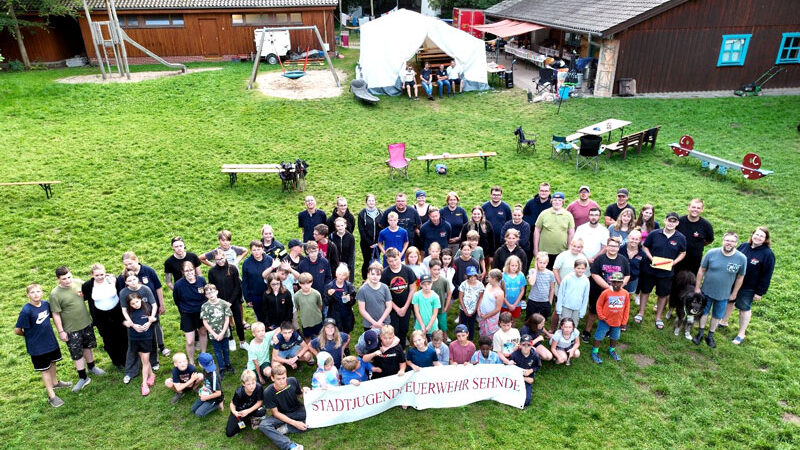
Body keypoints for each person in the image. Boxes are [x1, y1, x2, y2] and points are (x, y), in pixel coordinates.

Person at [15, 283, 72, 408]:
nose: (36, 294)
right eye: (32, 292)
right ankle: (52, 396)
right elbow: (17, 330)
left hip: (50, 342)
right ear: (27, 295)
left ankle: (55, 383)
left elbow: (55, 316)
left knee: (53, 362)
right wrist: (29, 336)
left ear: (42, 293)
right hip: (37, 347)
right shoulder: (26, 311)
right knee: (44, 369)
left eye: (38, 291)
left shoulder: (46, 304)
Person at [50, 266, 105, 393]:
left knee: (87, 347)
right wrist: (61, 331)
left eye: (69, 277)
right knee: (77, 353)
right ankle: (83, 377)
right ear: (58, 279)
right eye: (64, 279)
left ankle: (92, 367)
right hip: (71, 329)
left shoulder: (79, 283)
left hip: (86, 324)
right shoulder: (55, 294)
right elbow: (56, 314)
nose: (68, 280)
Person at [692, 232, 746, 348]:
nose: (729, 243)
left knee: (717, 315)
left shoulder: (741, 258)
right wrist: (697, 287)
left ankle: (710, 335)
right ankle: (700, 333)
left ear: (736, 243)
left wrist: (734, 293)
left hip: (724, 294)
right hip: (706, 291)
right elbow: (702, 270)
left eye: (732, 241)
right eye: (727, 240)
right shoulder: (711, 253)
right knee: (704, 312)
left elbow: (740, 277)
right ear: (723, 241)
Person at [722, 226, 775, 344]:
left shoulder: (767, 254)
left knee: (744, 308)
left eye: (762, 236)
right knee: (730, 301)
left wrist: (760, 292)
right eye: (756, 234)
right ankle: (723, 321)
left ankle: (741, 333)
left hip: (749, 287)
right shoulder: (744, 246)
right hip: (733, 282)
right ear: (752, 235)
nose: (758, 237)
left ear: (765, 239)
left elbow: (767, 274)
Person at [635, 212, 686, 329]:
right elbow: (645, 246)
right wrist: (651, 258)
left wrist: (674, 262)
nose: (671, 223)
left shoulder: (681, 238)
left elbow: (683, 252)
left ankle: (658, 317)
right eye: (669, 220)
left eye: (674, 221)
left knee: (663, 295)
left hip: (666, 272)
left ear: (677, 223)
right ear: (665, 220)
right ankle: (641, 313)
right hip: (650, 269)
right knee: (645, 291)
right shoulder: (654, 233)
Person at [117, 252, 169, 357]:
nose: (128, 267)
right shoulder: (123, 277)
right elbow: (122, 294)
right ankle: (142, 350)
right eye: (125, 265)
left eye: (130, 263)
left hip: (151, 307)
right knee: (139, 327)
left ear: (136, 260)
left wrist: (161, 304)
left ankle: (161, 346)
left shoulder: (149, 271)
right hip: (134, 310)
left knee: (156, 326)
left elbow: (158, 287)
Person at [583, 237, 630, 343]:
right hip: (599, 290)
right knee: (594, 310)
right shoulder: (600, 259)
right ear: (607, 246)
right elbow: (594, 274)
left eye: (615, 246)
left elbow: (627, 275)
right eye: (611, 246)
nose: (613, 248)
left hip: (616, 293)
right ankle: (587, 331)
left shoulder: (623, 260)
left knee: (612, 311)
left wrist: (619, 286)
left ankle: (608, 330)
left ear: (619, 248)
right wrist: (608, 287)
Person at [81, 263, 127, 370]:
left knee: (122, 336)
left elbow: (121, 292)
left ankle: (126, 359)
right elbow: (84, 298)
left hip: (117, 313)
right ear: (92, 275)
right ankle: (116, 361)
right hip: (101, 317)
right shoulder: (87, 286)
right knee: (108, 339)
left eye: (102, 274)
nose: (100, 277)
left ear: (105, 272)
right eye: (97, 275)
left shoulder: (112, 280)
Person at [258, 364, 309, 450]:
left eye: (284, 378)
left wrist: (305, 391)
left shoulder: (292, 381)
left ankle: (286, 428)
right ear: (272, 378)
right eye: (278, 379)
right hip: (281, 415)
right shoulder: (268, 392)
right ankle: (290, 446)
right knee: (263, 425)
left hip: (298, 410)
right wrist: (294, 423)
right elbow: (276, 413)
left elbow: (300, 395)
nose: (282, 381)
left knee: (316, 417)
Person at [208, 249, 245, 350]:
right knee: (226, 322)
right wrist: (221, 302)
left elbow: (237, 286)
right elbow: (212, 288)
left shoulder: (232, 268)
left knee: (238, 321)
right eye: (217, 259)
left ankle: (242, 341)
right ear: (214, 260)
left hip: (234, 300)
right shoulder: (212, 271)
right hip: (221, 302)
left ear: (225, 257)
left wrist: (231, 301)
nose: (220, 261)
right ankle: (231, 339)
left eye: (222, 258)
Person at [172, 261, 208, 365]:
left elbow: (206, 295)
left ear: (194, 270)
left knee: (203, 333)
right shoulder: (178, 285)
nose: (189, 272)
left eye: (191, 270)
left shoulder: (201, 280)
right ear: (183, 272)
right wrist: (184, 310)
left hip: (201, 313)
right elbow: (176, 300)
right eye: (186, 271)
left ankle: (203, 356)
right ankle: (191, 361)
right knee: (190, 341)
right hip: (187, 314)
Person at [380, 248, 417, 347]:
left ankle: (403, 348)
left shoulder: (407, 270)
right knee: (394, 329)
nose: (394, 263)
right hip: (392, 307)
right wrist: (396, 308)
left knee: (404, 329)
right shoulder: (385, 274)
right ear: (387, 261)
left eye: (396, 260)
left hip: (406, 305)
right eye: (391, 261)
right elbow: (384, 295)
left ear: (400, 256)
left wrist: (405, 307)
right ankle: (395, 348)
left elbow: (413, 288)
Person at [591, 272, 630, 363]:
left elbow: (627, 308)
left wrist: (624, 322)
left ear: (623, 283)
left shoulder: (625, 293)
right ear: (611, 282)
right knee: (599, 336)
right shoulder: (606, 292)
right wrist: (601, 316)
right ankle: (595, 351)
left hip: (618, 321)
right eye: (614, 282)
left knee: (615, 336)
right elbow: (599, 305)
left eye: (619, 282)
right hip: (605, 320)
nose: (616, 284)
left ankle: (612, 350)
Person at [124, 293, 156, 395]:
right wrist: (131, 325)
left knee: (145, 362)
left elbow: (155, 320)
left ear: (141, 299)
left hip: (146, 338)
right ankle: (151, 375)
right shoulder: (129, 312)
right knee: (143, 359)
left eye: (137, 302)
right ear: (130, 305)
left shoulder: (148, 307)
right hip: (135, 339)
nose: (136, 305)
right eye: (133, 304)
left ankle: (144, 384)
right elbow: (126, 323)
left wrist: (151, 321)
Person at [534, 192, 575, 269]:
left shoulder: (568, 215)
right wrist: (536, 249)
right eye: (555, 200)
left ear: (563, 202)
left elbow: (571, 233)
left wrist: (569, 250)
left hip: (561, 252)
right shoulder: (544, 213)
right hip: (544, 252)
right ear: (551, 201)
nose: (557, 202)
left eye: (559, 200)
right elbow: (537, 231)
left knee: (558, 274)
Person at [675, 198, 714, 276]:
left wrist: (697, 245)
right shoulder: (679, 221)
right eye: (693, 207)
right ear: (689, 207)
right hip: (677, 258)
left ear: (702, 210)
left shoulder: (706, 225)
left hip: (694, 260)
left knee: (690, 283)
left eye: (698, 208)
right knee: (674, 282)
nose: (695, 210)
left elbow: (709, 240)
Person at [201, 284, 234, 374]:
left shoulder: (223, 303)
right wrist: (214, 334)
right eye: (208, 293)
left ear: (216, 292)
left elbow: (227, 318)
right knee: (217, 351)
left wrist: (222, 332)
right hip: (213, 334)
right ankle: (221, 367)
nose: (211, 294)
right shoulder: (205, 306)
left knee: (226, 349)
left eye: (212, 292)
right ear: (206, 295)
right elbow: (205, 322)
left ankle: (228, 364)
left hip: (224, 332)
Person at [226, 369, 265, 437]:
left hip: (252, 409)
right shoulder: (239, 393)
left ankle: (253, 418)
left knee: (262, 411)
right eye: (248, 384)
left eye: (253, 383)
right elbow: (232, 404)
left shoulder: (258, 387)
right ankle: (246, 420)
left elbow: (260, 402)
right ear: (243, 384)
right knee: (229, 433)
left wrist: (248, 411)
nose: (251, 386)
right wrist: (235, 412)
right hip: (240, 412)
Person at [242, 240, 273, 324]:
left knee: (271, 314)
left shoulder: (269, 260)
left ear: (262, 249)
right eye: (254, 250)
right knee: (260, 316)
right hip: (255, 295)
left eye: (258, 249)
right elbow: (244, 282)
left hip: (270, 292)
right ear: (251, 251)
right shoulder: (246, 263)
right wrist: (247, 298)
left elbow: (275, 276)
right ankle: (262, 332)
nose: (256, 252)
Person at [357, 262, 393, 330]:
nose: (375, 277)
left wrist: (380, 322)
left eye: (378, 274)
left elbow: (389, 306)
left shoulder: (385, 287)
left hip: (384, 323)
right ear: (368, 275)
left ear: (380, 276)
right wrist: (374, 323)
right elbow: (362, 309)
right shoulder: (362, 290)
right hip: (369, 324)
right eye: (372, 274)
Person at [555, 260, 590, 329]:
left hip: (577, 308)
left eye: (582, 268)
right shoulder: (567, 278)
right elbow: (561, 293)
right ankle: (559, 339)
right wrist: (559, 308)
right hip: (566, 306)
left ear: (585, 269)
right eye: (578, 268)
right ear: (574, 268)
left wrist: (582, 311)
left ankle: (571, 339)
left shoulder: (586, 280)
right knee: (563, 324)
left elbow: (586, 296)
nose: (580, 270)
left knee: (574, 325)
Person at [357, 193, 384, 280]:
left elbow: (382, 228)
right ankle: (365, 279)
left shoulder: (380, 213)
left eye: (373, 200)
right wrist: (369, 243)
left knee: (376, 261)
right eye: (369, 200)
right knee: (367, 261)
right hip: (366, 244)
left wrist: (377, 242)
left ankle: (376, 278)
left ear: (375, 202)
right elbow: (362, 230)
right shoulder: (362, 214)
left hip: (378, 243)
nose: (371, 202)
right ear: (366, 202)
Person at [323, 264, 356, 333]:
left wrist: (350, 299)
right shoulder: (330, 286)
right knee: (336, 334)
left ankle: (347, 344)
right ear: (336, 274)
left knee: (347, 333)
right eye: (340, 274)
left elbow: (353, 301)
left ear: (346, 276)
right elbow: (326, 302)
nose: (341, 277)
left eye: (343, 275)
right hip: (334, 314)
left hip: (347, 314)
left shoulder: (349, 286)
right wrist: (329, 295)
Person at [510, 335, 541, 407]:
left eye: (528, 345)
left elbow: (537, 366)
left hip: (528, 375)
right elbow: (510, 369)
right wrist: (523, 378)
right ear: (520, 345)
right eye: (524, 345)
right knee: (512, 397)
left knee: (526, 401)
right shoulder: (514, 355)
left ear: (532, 346)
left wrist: (531, 370)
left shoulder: (535, 355)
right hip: (517, 376)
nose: (526, 347)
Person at [192, 352, 224, 417]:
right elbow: (206, 382)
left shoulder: (213, 376)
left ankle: (218, 404)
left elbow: (218, 393)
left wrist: (205, 398)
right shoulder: (205, 370)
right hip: (208, 393)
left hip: (215, 397)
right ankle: (207, 402)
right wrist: (202, 389)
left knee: (198, 414)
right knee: (193, 409)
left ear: (200, 364)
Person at [482, 186, 512, 254]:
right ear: (490, 195)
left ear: (501, 195)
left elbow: (510, 223)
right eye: (494, 195)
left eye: (498, 195)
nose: (496, 196)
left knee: (500, 261)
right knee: (487, 261)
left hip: (501, 240)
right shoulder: (484, 207)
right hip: (487, 239)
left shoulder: (506, 207)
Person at [294, 272, 324, 341]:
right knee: (307, 337)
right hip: (305, 322)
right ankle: (309, 349)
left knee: (318, 336)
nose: (306, 286)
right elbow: (297, 307)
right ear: (299, 284)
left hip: (317, 320)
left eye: (308, 283)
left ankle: (319, 349)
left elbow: (320, 306)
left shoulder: (316, 294)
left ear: (311, 283)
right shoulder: (296, 296)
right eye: (303, 284)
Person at [527, 252, 555, 321]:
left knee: (542, 320)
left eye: (544, 263)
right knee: (531, 319)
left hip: (544, 301)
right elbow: (531, 283)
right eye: (540, 262)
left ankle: (539, 331)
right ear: (536, 262)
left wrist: (550, 302)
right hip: (533, 300)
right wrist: (536, 270)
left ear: (547, 263)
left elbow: (552, 288)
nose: (542, 265)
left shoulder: (550, 274)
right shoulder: (532, 271)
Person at [458, 265, 484, 340]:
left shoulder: (480, 285)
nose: (472, 278)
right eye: (470, 276)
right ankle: (462, 338)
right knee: (463, 324)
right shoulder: (463, 284)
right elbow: (460, 298)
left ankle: (471, 340)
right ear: (466, 276)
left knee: (471, 325)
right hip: (464, 309)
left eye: (474, 276)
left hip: (474, 309)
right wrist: (465, 310)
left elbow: (480, 298)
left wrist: (476, 309)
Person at [411, 274, 440, 339]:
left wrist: (428, 327)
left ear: (432, 283)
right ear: (421, 285)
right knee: (419, 344)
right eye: (424, 284)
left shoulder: (435, 297)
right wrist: (422, 326)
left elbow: (435, 314)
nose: (427, 286)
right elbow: (416, 312)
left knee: (431, 346)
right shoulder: (416, 295)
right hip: (419, 326)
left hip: (432, 326)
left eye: (428, 284)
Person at [622, 230, 646, 307]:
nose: (634, 241)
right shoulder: (620, 250)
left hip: (633, 279)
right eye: (632, 238)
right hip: (619, 278)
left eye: (636, 239)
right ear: (628, 238)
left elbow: (642, 268)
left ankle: (624, 311)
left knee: (627, 297)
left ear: (639, 240)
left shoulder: (642, 254)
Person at [429, 259, 453, 335]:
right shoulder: (426, 280)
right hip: (429, 311)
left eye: (439, 269)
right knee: (432, 330)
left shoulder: (444, 281)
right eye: (434, 269)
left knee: (443, 330)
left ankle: (444, 344)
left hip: (441, 310)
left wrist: (446, 307)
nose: (437, 271)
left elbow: (449, 294)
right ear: (430, 269)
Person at [479, 269, 504, 337]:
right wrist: (479, 309)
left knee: (490, 334)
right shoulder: (488, 285)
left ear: (494, 279)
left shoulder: (500, 293)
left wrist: (486, 316)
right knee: (482, 331)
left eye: (489, 277)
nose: (487, 278)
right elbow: (482, 297)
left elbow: (498, 309)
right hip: (482, 314)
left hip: (491, 318)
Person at [330, 217, 356, 282]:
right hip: (335, 264)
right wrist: (336, 263)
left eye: (342, 225)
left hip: (347, 263)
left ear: (345, 225)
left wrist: (349, 266)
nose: (340, 227)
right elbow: (331, 252)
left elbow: (351, 253)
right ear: (335, 227)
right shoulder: (331, 236)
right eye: (338, 226)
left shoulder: (350, 237)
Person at [502, 255, 526, 320]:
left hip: (516, 303)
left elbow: (522, 290)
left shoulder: (521, 275)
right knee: (503, 320)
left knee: (512, 320)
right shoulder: (503, 275)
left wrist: (515, 304)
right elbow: (501, 291)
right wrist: (508, 304)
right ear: (508, 265)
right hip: (504, 303)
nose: (514, 268)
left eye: (516, 266)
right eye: (512, 265)